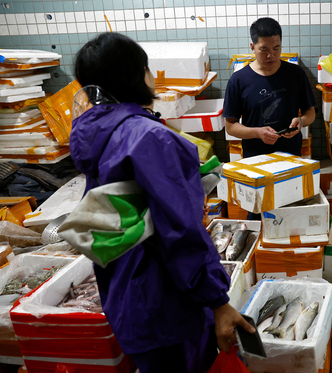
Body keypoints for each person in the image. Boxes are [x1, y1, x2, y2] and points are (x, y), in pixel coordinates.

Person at [70, 32, 254, 373]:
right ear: (136, 74)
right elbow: (179, 231)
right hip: (167, 303)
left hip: (126, 297)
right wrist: (217, 300)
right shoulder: (149, 136)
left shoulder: (96, 133)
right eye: (147, 68)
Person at [223, 17, 316, 159]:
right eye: (263, 49)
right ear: (252, 47)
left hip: (290, 156)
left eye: (276, 48)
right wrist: (257, 133)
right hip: (255, 159)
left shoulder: (296, 74)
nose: (270, 55)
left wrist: (301, 121)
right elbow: (230, 126)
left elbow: (310, 112)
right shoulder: (238, 80)